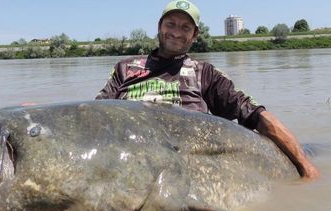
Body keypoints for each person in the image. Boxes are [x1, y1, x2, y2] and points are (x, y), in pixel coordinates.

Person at [95, 0, 319, 179]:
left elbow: (255, 114)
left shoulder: (205, 73)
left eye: (186, 27)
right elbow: (93, 117)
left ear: (194, 35)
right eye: (170, 24)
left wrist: (305, 164)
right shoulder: (125, 68)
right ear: (159, 27)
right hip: (128, 159)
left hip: (185, 164)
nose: (176, 32)